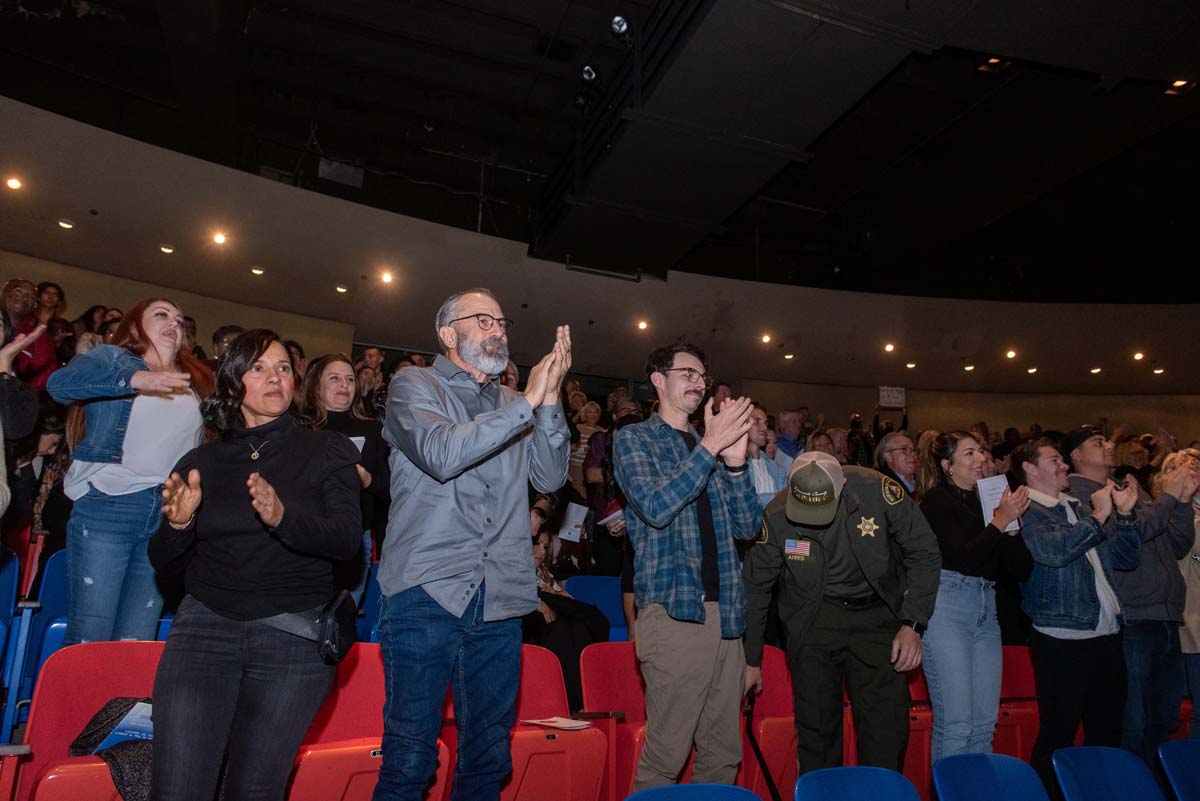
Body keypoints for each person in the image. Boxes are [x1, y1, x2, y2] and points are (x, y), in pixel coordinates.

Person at [373, 287, 571, 801]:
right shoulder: (413, 385)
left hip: (501, 596)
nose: (498, 330)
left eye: (502, 322)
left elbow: (549, 478)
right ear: (447, 334)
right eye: (483, 320)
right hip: (426, 590)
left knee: (488, 758)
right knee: (410, 759)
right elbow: (441, 452)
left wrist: (548, 402)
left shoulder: (514, 403)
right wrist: (526, 401)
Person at [148, 329, 362, 801]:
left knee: (254, 790)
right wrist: (178, 527)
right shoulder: (200, 459)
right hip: (203, 632)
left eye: (284, 368)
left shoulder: (327, 450)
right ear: (233, 383)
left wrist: (285, 518)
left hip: (294, 640)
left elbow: (347, 541)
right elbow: (163, 561)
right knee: (177, 787)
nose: (275, 378)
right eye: (259, 368)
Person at [613, 342, 758, 790]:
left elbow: (748, 525)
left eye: (703, 376)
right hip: (675, 612)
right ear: (658, 379)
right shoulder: (634, 439)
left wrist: (735, 466)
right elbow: (656, 506)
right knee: (667, 754)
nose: (699, 382)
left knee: (723, 753)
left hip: (727, 614)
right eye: (688, 373)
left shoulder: (708, 448)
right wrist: (712, 448)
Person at [743, 451, 941, 776]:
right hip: (815, 621)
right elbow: (755, 587)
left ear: (843, 485)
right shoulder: (778, 515)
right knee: (817, 733)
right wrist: (751, 660)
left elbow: (925, 551)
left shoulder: (879, 492)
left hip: (877, 619)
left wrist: (913, 623)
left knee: (886, 732)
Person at [47, 298, 213, 644]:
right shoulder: (113, 359)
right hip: (110, 504)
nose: (174, 322)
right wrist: (136, 379)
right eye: (161, 315)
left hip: (166, 515)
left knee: (135, 639)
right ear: (136, 326)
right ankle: (82, 700)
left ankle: (122, 701)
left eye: (179, 319)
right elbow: (59, 386)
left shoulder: (195, 379)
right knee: (92, 634)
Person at [1061, 426, 1198, 773]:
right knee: (1133, 719)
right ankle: (1128, 786)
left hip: (1166, 616)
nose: (1109, 446)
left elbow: (1176, 543)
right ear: (1076, 455)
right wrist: (1168, 496)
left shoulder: (1125, 488)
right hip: (1133, 616)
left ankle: (1156, 785)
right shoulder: (1080, 496)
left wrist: (1181, 502)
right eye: (1097, 442)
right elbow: (1130, 536)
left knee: (1163, 717)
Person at [1010, 439, 1141, 798]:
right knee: (1058, 734)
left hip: (1107, 636)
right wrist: (1100, 516)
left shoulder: (1079, 508)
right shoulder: (1025, 512)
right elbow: (1053, 552)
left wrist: (1125, 516)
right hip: (1061, 638)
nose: (1065, 465)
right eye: (1055, 460)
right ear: (1030, 468)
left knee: (1107, 733)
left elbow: (1127, 558)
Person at [916, 431, 1032, 762]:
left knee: (984, 724)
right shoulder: (937, 501)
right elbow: (963, 559)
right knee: (956, 724)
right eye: (969, 454)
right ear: (947, 465)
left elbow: (1021, 568)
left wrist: (1009, 526)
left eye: (981, 452)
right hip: (948, 605)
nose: (981, 459)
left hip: (986, 605)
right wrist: (1000, 520)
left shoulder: (991, 500)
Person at [296, 352, 391, 591]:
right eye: (335, 378)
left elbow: (391, 488)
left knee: (343, 618)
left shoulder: (373, 430)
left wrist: (367, 479)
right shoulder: (298, 429)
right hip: (304, 538)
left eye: (350, 379)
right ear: (316, 386)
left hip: (354, 543)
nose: (344, 385)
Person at [522, 525, 609, 712]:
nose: (541, 551)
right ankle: (566, 702)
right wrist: (538, 600)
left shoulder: (545, 573)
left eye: (545, 547)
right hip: (527, 622)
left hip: (552, 618)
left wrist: (555, 594)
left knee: (579, 627)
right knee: (569, 623)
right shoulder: (515, 571)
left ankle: (577, 703)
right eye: (537, 545)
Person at [2, 280, 56, 391]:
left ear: (35, 305)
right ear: (3, 293)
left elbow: (44, 376)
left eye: (31, 296)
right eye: (18, 291)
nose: (24, 297)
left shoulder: (38, 337)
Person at [747, 405, 787, 510]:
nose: (764, 428)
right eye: (757, 421)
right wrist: (775, 496)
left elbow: (786, 501)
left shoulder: (776, 468)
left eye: (765, 423)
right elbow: (744, 504)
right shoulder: (735, 466)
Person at [876, 430, 918, 495]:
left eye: (913, 450)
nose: (913, 454)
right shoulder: (880, 488)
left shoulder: (923, 481)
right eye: (905, 449)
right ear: (889, 456)